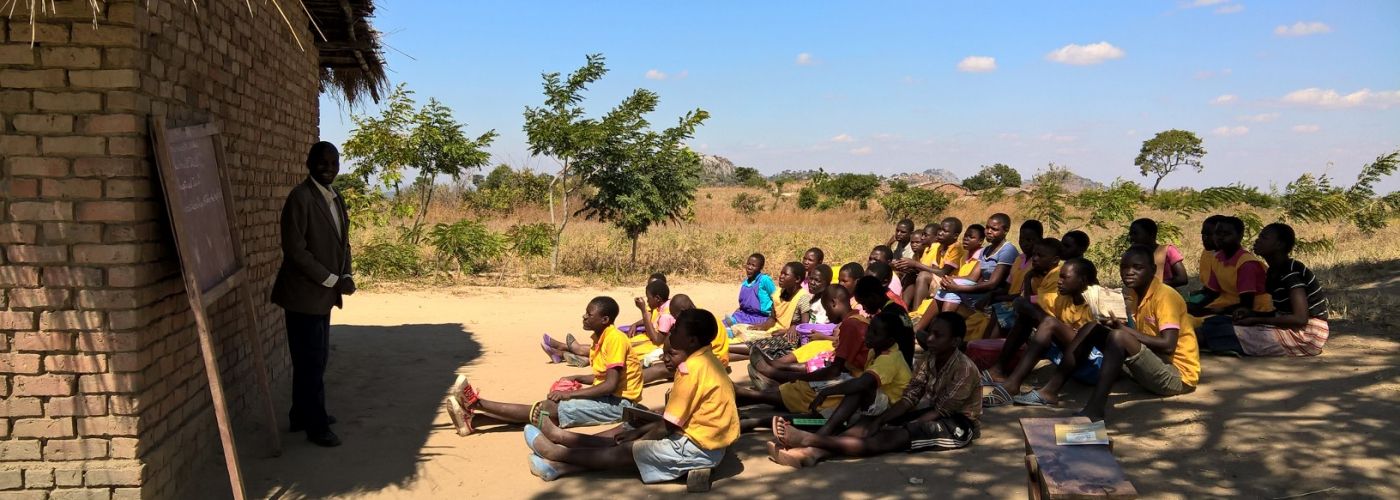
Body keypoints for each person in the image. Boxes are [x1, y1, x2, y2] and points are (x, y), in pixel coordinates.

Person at [524, 309, 739, 484]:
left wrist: (638, 442)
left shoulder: (690, 369)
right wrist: (639, 433)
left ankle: (557, 453)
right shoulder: (707, 359)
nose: (672, 332)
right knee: (631, 430)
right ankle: (560, 460)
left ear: (691, 341)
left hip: (699, 449)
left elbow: (668, 426)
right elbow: (675, 420)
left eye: (677, 329)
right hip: (704, 439)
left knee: (628, 448)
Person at [768, 312, 980, 468]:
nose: (930, 339)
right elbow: (911, 396)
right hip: (931, 410)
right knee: (871, 422)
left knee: (895, 436)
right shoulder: (931, 358)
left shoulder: (965, 368)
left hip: (958, 423)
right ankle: (814, 452)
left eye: (938, 335)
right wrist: (882, 419)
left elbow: (943, 410)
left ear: (955, 342)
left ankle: (809, 440)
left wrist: (904, 423)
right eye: (931, 332)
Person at [1015, 247, 1200, 421]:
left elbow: (1168, 345)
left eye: (1137, 267)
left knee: (1118, 336)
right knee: (1092, 327)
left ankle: (1095, 409)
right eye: (1124, 267)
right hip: (1152, 363)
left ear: (1152, 269)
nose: (1129, 272)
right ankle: (1050, 391)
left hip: (1176, 377)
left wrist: (1122, 329)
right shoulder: (1135, 295)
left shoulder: (1165, 296)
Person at [447, 297, 644, 433]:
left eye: (589, 314)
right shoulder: (600, 338)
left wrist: (569, 394)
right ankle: (473, 421)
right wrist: (577, 378)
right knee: (545, 414)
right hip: (611, 398)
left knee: (546, 409)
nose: (584, 316)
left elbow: (610, 385)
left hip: (620, 405)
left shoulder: (614, 339)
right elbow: (605, 377)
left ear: (605, 319)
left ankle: (475, 403)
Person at [271, 141, 354, 447]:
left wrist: (346, 274)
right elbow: (295, 250)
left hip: (324, 295)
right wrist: (331, 278)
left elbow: (344, 242)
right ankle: (316, 426)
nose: (328, 168)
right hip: (303, 295)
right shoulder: (300, 198)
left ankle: (300, 414)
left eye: (333, 163)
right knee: (310, 361)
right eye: (322, 163)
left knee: (315, 360)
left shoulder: (335, 196)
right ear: (309, 164)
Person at [983, 257, 1096, 407]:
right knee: (1029, 318)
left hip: (1092, 364)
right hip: (1068, 353)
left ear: (1082, 281)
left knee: (1049, 323)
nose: (1059, 281)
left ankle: (1023, 386)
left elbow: (1088, 343)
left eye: (1065, 277)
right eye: (1059, 276)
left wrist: (1044, 321)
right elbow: (1021, 302)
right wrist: (1036, 314)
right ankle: (999, 371)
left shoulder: (1093, 305)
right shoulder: (1061, 298)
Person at [1205, 223, 1330, 357]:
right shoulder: (1273, 272)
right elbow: (1282, 313)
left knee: (1219, 331)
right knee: (1215, 323)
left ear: (1279, 245)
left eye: (1263, 237)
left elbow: (1300, 319)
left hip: (1307, 335)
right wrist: (1252, 314)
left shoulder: (1291, 271)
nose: (1257, 240)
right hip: (1293, 328)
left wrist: (1256, 320)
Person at [745, 284, 871, 396]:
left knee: (807, 390)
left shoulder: (851, 325)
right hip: (852, 372)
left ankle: (775, 377)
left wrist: (801, 378)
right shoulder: (855, 320)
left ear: (834, 303)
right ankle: (777, 375)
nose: (827, 315)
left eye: (827, 310)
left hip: (856, 376)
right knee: (815, 368)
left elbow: (835, 370)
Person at [541, 278, 670, 368]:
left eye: (648, 298)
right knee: (612, 344)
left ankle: (573, 350)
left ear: (657, 297)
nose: (647, 301)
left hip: (652, 345)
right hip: (646, 339)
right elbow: (650, 318)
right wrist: (635, 324)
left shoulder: (666, 312)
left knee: (615, 348)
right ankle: (562, 352)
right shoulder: (658, 308)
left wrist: (642, 310)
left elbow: (657, 339)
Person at [936, 214, 1019, 314]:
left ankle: (941, 323)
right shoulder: (986, 250)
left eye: (994, 229)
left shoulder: (1007, 250)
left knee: (952, 293)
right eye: (987, 227)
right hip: (981, 290)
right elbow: (972, 278)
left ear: (1005, 230)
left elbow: (992, 284)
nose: (989, 231)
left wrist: (957, 287)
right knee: (947, 287)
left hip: (993, 294)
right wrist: (950, 279)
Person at [639, 295, 731, 383]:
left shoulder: (699, 323)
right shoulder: (700, 316)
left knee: (661, 368)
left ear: (683, 311)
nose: (675, 319)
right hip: (708, 359)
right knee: (651, 359)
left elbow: (697, 353)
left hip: (713, 364)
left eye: (675, 316)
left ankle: (631, 382)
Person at [1192, 216, 1271, 318]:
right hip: (1228, 304)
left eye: (1226, 234)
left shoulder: (1246, 264)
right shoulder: (1218, 258)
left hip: (1256, 310)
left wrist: (1208, 311)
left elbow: (1246, 304)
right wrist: (1197, 307)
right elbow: (1213, 293)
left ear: (1240, 236)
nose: (1220, 237)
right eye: (1217, 233)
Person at [730, 261, 810, 344]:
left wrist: (787, 330)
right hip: (775, 330)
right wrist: (762, 326)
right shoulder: (777, 293)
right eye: (781, 273)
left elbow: (805, 326)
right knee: (742, 338)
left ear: (797, 279)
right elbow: (772, 318)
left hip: (790, 336)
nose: (781, 277)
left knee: (751, 345)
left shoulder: (803, 297)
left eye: (785, 275)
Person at [987, 220, 1044, 336]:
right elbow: (1008, 286)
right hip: (1008, 301)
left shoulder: (1040, 263)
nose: (1024, 243)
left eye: (1030, 240)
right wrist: (992, 294)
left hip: (1022, 305)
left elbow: (1026, 295)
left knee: (999, 312)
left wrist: (1000, 298)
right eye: (1022, 239)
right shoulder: (1019, 259)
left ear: (1040, 239)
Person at [897, 217, 965, 312]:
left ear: (955, 235)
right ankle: (903, 309)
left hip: (950, 282)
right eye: (940, 229)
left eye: (945, 231)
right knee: (912, 274)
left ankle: (917, 313)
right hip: (940, 280)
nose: (940, 233)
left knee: (923, 276)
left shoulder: (955, 248)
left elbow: (943, 272)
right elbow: (934, 268)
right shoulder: (940, 247)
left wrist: (916, 264)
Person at [1130, 218, 1188, 288]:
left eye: (1135, 234)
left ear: (1151, 234)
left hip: (1165, 296)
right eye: (1131, 234)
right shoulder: (1134, 255)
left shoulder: (1168, 251)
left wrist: (1153, 285)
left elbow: (1182, 278)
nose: (1131, 238)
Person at [726, 253, 777, 328]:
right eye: (748, 264)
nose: (749, 267)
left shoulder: (764, 280)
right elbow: (744, 304)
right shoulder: (745, 283)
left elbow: (776, 298)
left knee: (734, 332)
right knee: (720, 325)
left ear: (760, 267)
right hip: (743, 315)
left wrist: (773, 319)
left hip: (759, 318)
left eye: (753, 265)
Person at [1188, 215, 1227, 306]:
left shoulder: (1232, 259)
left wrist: (1198, 307)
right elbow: (1211, 287)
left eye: (1209, 235)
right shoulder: (1207, 253)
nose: (1204, 238)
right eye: (1203, 234)